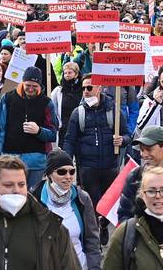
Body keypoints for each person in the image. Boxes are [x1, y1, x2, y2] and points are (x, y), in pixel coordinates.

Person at [63, 73, 131, 244]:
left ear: (99, 89)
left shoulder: (113, 111)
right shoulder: (77, 113)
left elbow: (128, 134)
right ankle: (94, 236)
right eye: (83, 88)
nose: (85, 91)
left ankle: (103, 224)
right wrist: (65, 162)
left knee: (108, 204)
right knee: (91, 204)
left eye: (89, 87)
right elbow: (69, 140)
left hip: (110, 166)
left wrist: (123, 140)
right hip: (88, 167)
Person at [31, 149, 101, 270]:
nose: (68, 177)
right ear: (49, 175)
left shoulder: (82, 197)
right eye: (62, 172)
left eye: (72, 171)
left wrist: (94, 266)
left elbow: (92, 238)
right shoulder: (35, 199)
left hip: (80, 265)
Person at [0, 66, 58, 188]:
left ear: (40, 85)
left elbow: (53, 134)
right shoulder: (8, 98)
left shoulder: (47, 103)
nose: (31, 89)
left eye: (34, 86)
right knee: (11, 196)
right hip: (10, 159)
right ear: (22, 81)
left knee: (32, 199)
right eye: (28, 85)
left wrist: (39, 131)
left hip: (36, 162)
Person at [50, 62, 82, 148]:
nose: (67, 75)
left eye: (70, 73)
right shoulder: (58, 90)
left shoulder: (83, 89)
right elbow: (52, 107)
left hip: (80, 128)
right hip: (64, 128)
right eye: (65, 73)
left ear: (76, 74)